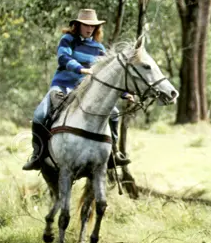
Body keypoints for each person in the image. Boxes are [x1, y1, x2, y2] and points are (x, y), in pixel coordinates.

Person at [23, 9, 131, 171]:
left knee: (114, 114)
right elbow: (63, 58)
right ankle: (37, 155)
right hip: (62, 86)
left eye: (93, 26)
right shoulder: (67, 40)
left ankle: (113, 154)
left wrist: (124, 93)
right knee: (39, 116)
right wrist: (80, 69)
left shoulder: (99, 48)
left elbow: (106, 74)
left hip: (87, 92)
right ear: (78, 25)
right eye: (86, 25)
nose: (89, 29)